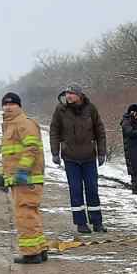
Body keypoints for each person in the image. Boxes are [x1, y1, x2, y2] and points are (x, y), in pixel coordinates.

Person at [49, 86, 108, 233]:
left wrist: (101, 152)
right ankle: (81, 223)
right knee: (75, 191)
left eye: (72, 93)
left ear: (79, 95)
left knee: (92, 189)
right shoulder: (60, 110)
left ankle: (97, 222)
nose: (68, 96)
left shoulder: (91, 109)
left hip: (89, 157)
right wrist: (55, 153)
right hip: (70, 158)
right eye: (67, 93)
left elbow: (100, 131)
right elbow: (54, 132)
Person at [0, 92, 48, 264]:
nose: (8, 107)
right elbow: (9, 155)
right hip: (20, 180)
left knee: (25, 215)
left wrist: (22, 170)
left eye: (12, 104)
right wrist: (3, 176)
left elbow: (32, 148)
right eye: (5, 104)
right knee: (31, 214)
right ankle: (39, 249)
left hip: (27, 179)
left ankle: (31, 253)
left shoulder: (23, 123)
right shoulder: (9, 125)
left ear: (19, 106)